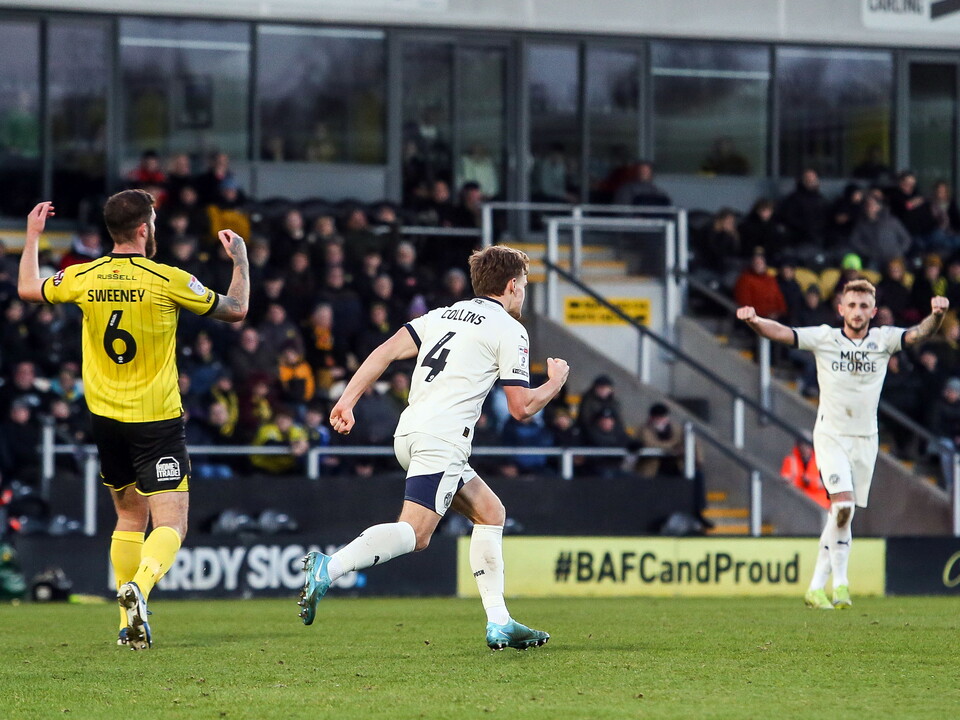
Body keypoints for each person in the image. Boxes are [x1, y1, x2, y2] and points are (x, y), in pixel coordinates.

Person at [298, 245, 570, 651]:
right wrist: (555, 382)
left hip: (410, 432)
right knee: (416, 532)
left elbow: (386, 351)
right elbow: (520, 407)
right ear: (512, 286)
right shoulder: (510, 329)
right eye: (525, 285)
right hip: (442, 440)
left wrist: (347, 399)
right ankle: (329, 566)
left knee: (491, 511)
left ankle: (500, 621)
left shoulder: (442, 315)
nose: (524, 293)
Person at [17, 192, 249, 649]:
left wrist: (32, 236)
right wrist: (240, 262)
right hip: (156, 420)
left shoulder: (84, 276)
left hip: (105, 420)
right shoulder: (168, 279)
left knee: (128, 516)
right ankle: (139, 589)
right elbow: (236, 310)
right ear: (144, 228)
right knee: (171, 524)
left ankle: (127, 625)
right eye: (155, 220)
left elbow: (29, 288)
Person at [737, 280, 948, 610]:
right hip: (831, 435)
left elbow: (919, 334)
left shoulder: (884, 339)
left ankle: (817, 588)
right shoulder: (826, 338)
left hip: (866, 440)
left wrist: (937, 315)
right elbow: (782, 332)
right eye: (851, 305)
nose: (857, 311)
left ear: (873, 311)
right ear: (841, 309)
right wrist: (754, 321)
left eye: (864, 306)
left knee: (842, 515)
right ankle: (842, 585)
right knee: (843, 506)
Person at [780, 437, 829, 509]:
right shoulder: (791, 460)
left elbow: (830, 483)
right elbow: (785, 480)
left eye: (807, 445)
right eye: (802, 444)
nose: (805, 448)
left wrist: (811, 482)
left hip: (820, 506)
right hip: (798, 505)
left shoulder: (822, 460)